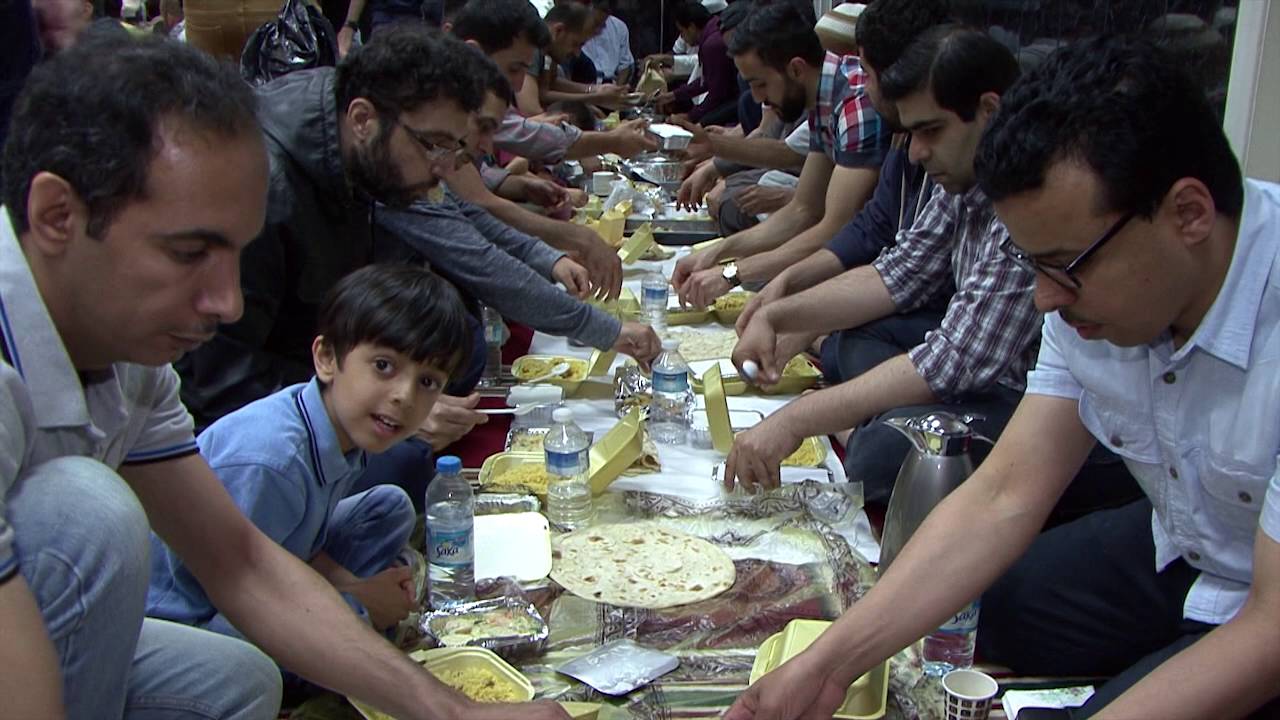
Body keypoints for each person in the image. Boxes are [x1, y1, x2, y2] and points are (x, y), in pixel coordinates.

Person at [0, 32, 568, 720]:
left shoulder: (132, 361)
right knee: (86, 511)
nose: (228, 303)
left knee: (236, 680)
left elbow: (238, 560)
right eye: (189, 253)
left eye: (235, 256)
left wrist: (454, 711)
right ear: (57, 215)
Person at [724, 36, 1280, 720]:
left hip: (1267, 603)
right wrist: (828, 663)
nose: (1044, 299)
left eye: (1064, 267)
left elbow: (1269, 630)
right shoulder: (1089, 288)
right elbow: (1006, 492)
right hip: (1189, 538)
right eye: (1033, 266)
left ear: (1188, 214)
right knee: (981, 616)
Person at [727, 27, 1041, 503]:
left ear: (990, 111)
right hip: (970, 374)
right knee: (851, 342)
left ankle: (869, 421)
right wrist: (777, 311)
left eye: (930, 131)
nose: (915, 152)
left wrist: (796, 419)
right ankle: (871, 414)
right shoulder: (964, 179)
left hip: (1017, 398)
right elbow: (898, 271)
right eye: (912, 133)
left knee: (879, 458)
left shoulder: (1028, 206)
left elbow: (951, 360)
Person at [149, 264, 468, 649]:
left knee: (390, 508)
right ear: (327, 358)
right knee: (289, 642)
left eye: (428, 382)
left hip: (264, 564)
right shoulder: (273, 462)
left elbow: (294, 545)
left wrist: (353, 587)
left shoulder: (347, 426)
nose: (405, 395)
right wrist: (358, 605)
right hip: (191, 619)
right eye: (384, 366)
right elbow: (242, 593)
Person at [732, 0, 950, 363]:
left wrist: (752, 285)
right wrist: (784, 291)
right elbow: (875, 234)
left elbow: (954, 353)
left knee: (853, 343)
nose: (860, 84)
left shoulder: (860, 109)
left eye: (864, 71)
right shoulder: (901, 136)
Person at [671, 2, 890, 308]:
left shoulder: (855, 104)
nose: (758, 98)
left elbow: (835, 229)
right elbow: (803, 209)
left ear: (796, 68)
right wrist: (717, 253)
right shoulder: (823, 94)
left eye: (760, 84)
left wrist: (732, 273)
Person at [451, 0, 657, 167]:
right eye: (513, 69)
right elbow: (527, 120)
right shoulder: (445, 105)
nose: (518, 85)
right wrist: (612, 140)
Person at [655, 1, 738, 124]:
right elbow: (707, 80)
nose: (682, 37)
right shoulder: (713, 31)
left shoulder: (712, 44)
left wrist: (691, 116)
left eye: (682, 32)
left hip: (735, 102)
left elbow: (717, 94)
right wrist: (672, 95)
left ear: (692, 27)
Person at [579, 0, 633, 85]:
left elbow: (625, 66)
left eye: (602, 24)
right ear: (589, 7)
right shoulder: (576, 27)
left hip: (612, 85)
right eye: (596, 24)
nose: (598, 31)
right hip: (583, 85)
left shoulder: (619, 27)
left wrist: (617, 90)